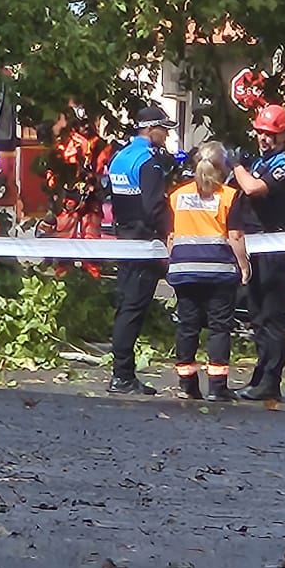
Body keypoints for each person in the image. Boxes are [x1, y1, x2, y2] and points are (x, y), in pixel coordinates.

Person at [167, 142, 250, 403]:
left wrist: (175, 262)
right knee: (219, 327)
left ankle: (187, 384)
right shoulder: (229, 196)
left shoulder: (177, 195)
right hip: (218, 271)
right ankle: (217, 387)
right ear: (222, 168)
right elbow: (235, 236)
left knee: (187, 326)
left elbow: (171, 235)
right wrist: (244, 265)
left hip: (184, 270)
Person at [229, 102, 285, 404]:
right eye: (260, 132)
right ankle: (261, 375)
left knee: (271, 315)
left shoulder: (284, 165)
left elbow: (254, 189)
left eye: (271, 134)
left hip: (273, 247)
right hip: (255, 246)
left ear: (284, 135)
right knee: (257, 314)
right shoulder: (260, 161)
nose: (264, 138)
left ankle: (271, 380)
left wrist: (236, 166)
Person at [105, 104, 175, 395]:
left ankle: (122, 373)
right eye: (164, 130)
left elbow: (112, 196)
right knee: (133, 309)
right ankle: (122, 375)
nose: (167, 135)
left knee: (126, 305)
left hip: (124, 237)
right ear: (151, 129)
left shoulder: (120, 157)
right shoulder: (148, 161)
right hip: (144, 242)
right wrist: (169, 231)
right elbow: (153, 206)